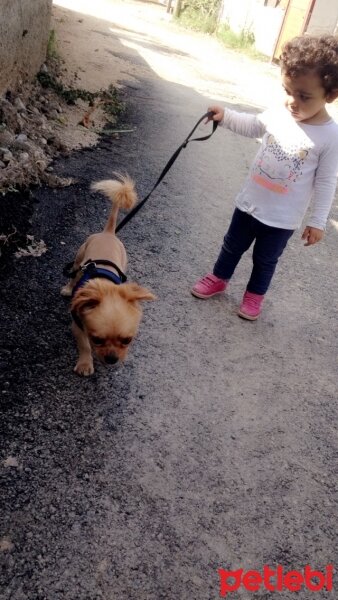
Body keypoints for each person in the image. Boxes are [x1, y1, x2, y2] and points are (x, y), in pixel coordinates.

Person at [191, 34, 338, 320]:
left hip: (282, 219)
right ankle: (219, 278)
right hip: (249, 203)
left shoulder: (331, 136)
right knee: (231, 245)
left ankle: (254, 296)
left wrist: (317, 221)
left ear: (331, 95)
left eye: (304, 96)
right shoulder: (281, 113)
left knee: (265, 259)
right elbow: (253, 125)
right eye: (287, 90)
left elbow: (326, 181)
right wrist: (225, 116)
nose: (292, 101)